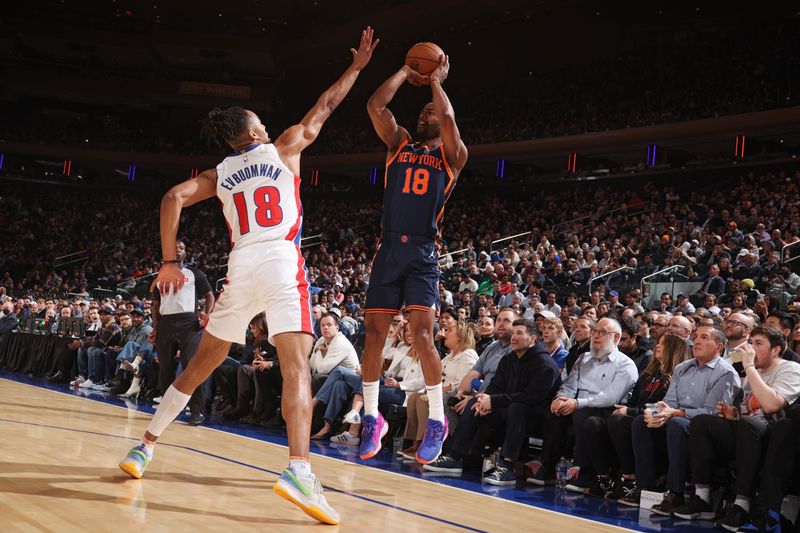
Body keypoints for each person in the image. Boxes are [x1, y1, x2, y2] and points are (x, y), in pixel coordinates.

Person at [118, 27, 379, 526]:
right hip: (281, 261)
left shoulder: (218, 173)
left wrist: (169, 260)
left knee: (199, 368)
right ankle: (299, 469)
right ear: (255, 132)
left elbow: (171, 197)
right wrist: (357, 67)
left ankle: (144, 447)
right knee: (296, 368)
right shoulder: (284, 147)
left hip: (240, 268)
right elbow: (325, 105)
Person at [358, 51, 469, 466]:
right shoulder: (398, 142)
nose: (426, 115)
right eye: (422, 111)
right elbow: (375, 106)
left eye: (432, 112)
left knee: (423, 336)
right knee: (373, 336)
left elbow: (451, 121)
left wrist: (436, 83)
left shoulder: (453, 156)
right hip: (388, 249)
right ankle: (371, 417)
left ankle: (437, 422)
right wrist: (406, 70)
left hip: (423, 250)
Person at [674, 327, 800, 529]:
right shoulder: (754, 372)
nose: (751, 348)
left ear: (776, 350)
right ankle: (702, 497)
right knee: (702, 422)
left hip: (775, 439)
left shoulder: (791, 369)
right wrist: (734, 414)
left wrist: (748, 366)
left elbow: (771, 405)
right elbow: (747, 413)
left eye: (758, 343)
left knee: (749, 426)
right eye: (751, 342)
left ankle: (742, 504)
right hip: (747, 431)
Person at [423, 318, 560, 486]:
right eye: (513, 333)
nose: (514, 337)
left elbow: (530, 398)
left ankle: (507, 467)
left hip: (536, 417)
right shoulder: (509, 359)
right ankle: (455, 456)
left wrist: (493, 401)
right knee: (474, 402)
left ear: (532, 339)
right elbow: (495, 387)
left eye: (520, 333)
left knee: (518, 408)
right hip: (509, 408)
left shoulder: (545, 364)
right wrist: (484, 399)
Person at [627, 325, 740, 514]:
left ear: (719, 347)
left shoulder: (725, 373)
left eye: (705, 337)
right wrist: (658, 413)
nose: (697, 341)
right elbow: (668, 402)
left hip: (704, 429)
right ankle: (644, 486)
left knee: (677, 425)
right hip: (675, 418)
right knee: (641, 422)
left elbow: (712, 412)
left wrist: (675, 413)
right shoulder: (681, 368)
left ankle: (675, 493)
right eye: (696, 337)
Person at [599, 333, 691, 501]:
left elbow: (664, 408)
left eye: (662, 343)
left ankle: (639, 483)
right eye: (658, 342)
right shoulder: (648, 373)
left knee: (629, 421)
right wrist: (627, 409)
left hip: (662, 424)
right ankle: (624, 477)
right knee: (609, 420)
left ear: (673, 349)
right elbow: (633, 403)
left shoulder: (677, 377)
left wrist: (630, 412)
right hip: (640, 419)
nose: (657, 346)